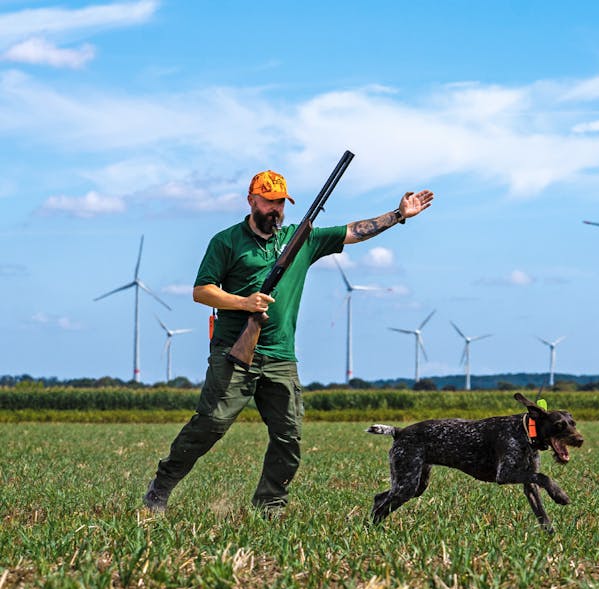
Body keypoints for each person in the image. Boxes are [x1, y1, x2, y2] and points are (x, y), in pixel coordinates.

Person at [143, 169, 433, 515]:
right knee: (211, 425)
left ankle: (270, 505)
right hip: (234, 354)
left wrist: (399, 215)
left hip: (281, 357)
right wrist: (244, 302)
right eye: (268, 201)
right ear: (251, 200)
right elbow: (201, 291)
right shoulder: (226, 241)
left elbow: (354, 231)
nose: (275, 209)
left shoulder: (302, 239)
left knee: (288, 435)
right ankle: (160, 488)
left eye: (280, 202)